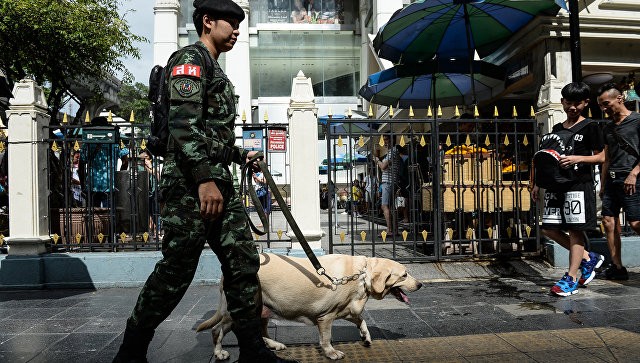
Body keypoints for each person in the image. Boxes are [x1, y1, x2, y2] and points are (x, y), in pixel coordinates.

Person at [113, 1, 297, 362]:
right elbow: (183, 128)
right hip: (190, 185)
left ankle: (253, 350)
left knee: (242, 264)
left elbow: (211, 133)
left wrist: (236, 154)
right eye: (231, 23)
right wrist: (203, 180)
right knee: (176, 271)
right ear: (208, 21)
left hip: (216, 182)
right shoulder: (190, 61)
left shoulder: (215, 69)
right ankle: (131, 350)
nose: (237, 30)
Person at [531, 82, 605, 296]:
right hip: (555, 185)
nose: (572, 107)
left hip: (578, 186)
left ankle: (571, 277)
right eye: (569, 103)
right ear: (562, 102)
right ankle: (588, 258)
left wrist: (578, 158)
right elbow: (546, 159)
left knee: (575, 230)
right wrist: (538, 183)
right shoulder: (556, 130)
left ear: (585, 103)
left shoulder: (591, 126)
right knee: (548, 228)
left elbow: (602, 156)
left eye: (577, 103)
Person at [597, 82, 640, 281]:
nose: (604, 108)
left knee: (636, 223)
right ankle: (617, 266)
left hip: (633, 179)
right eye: (601, 106)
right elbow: (607, 157)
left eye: (606, 104)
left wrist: (634, 172)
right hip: (613, 180)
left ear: (619, 99)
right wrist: (603, 184)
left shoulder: (637, 120)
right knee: (608, 222)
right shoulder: (607, 127)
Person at [80, 116, 129, 208]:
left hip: (92, 185)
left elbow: (81, 166)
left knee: (92, 216)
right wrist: (119, 178)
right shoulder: (115, 142)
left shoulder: (87, 144)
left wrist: (83, 186)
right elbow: (125, 161)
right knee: (111, 215)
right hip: (110, 185)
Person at [376, 134, 401, 236]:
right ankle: (394, 230)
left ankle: (389, 230)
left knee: (384, 206)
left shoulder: (393, 151)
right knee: (390, 207)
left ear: (392, 140)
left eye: (386, 139)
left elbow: (383, 166)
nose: (385, 142)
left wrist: (377, 160)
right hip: (391, 181)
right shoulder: (392, 152)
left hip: (389, 182)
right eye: (384, 140)